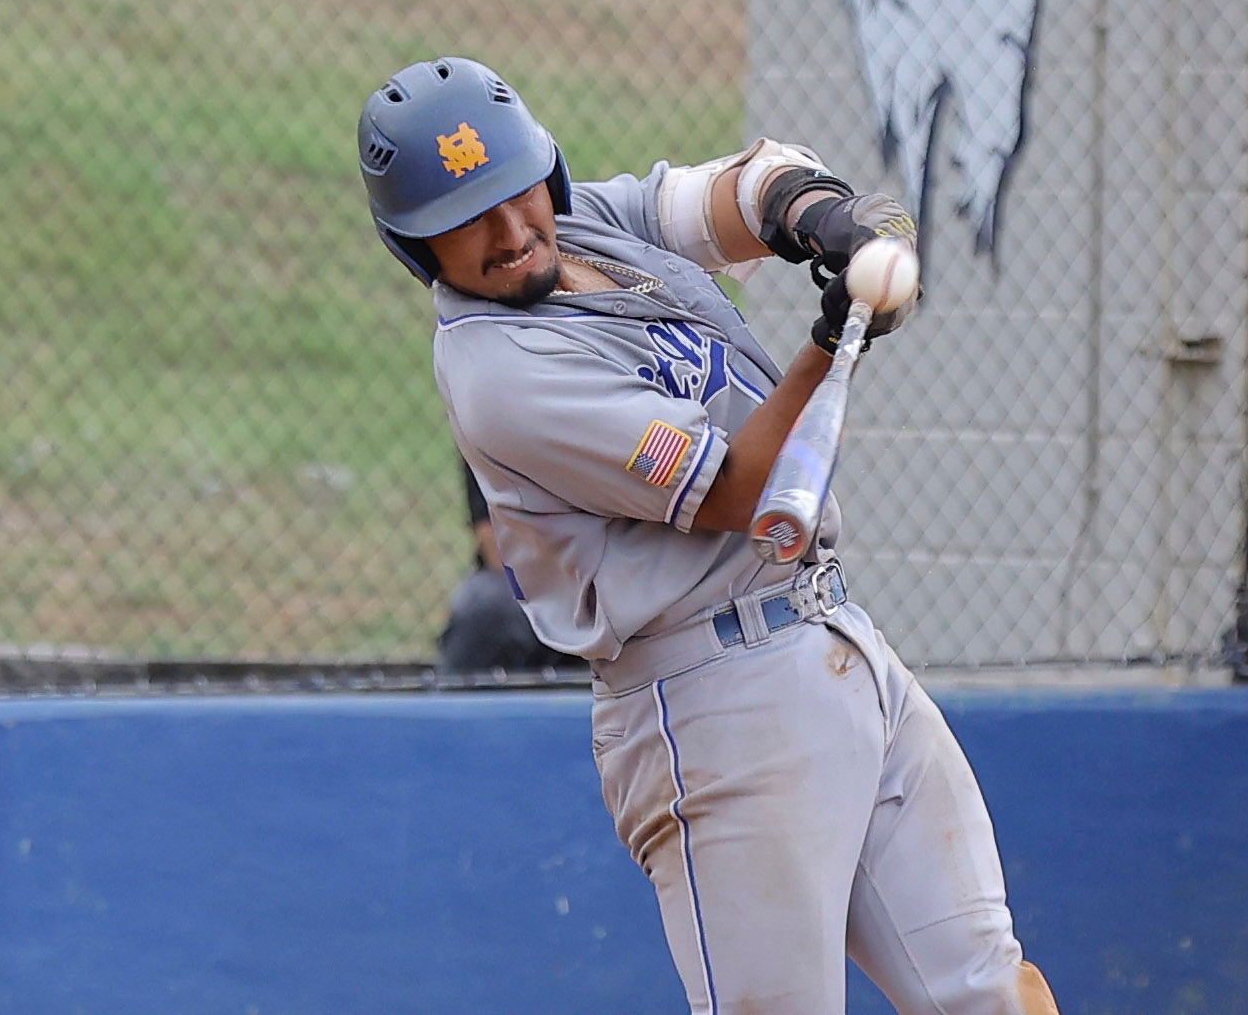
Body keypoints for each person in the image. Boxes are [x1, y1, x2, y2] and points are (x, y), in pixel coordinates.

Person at [358, 57, 1059, 1014]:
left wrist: (819, 216)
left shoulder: (589, 223)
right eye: (465, 220)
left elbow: (727, 193)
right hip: (712, 700)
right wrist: (835, 336)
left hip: (834, 639)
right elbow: (741, 489)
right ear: (416, 246)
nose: (512, 232)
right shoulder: (500, 373)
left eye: (516, 192)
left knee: (988, 990)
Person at [438, 457, 572, 673]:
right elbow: (497, 548)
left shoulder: (626, 434)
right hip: (523, 583)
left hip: (606, 575)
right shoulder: (488, 430)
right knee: (487, 609)